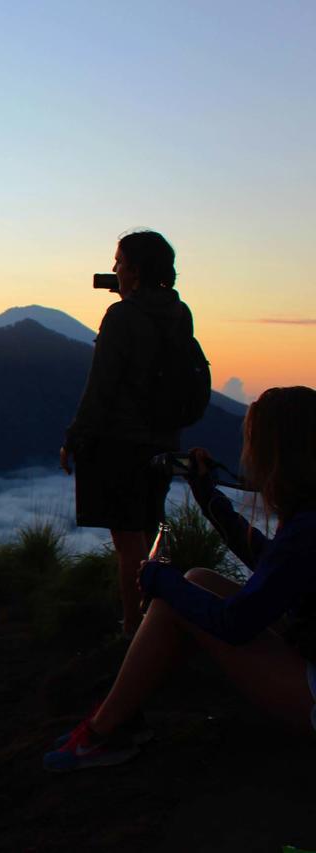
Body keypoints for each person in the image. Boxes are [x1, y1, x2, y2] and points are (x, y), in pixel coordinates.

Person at [45, 386, 316, 771]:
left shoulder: (308, 528)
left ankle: (102, 733)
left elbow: (235, 623)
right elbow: (273, 563)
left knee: (177, 600)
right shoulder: (309, 520)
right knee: (199, 577)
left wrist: (162, 582)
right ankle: (120, 719)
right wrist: (207, 496)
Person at [60, 230, 194, 637]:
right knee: (153, 529)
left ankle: (134, 629)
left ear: (134, 270)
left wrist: (76, 438)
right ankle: (161, 617)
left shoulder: (121, 317)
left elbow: (101, 386)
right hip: (164, 439)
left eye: (118, 262)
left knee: (127, 540)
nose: (113, 269)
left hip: (120, 441)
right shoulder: (179, 312)